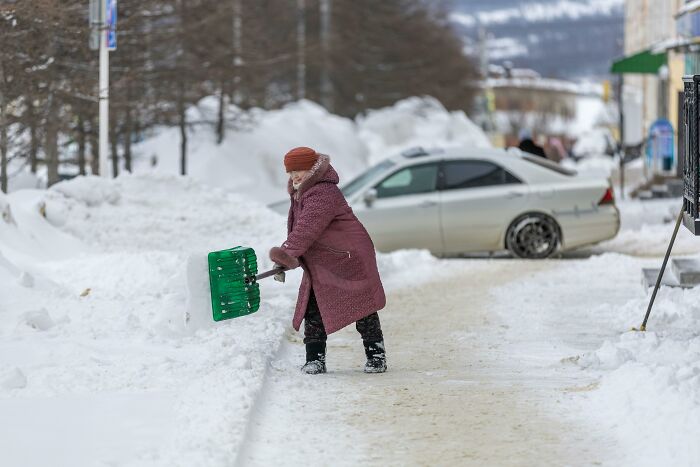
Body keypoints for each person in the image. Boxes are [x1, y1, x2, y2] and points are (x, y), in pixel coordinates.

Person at [269, 147, 387, 375]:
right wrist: (289, 255)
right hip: (326, 259)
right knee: (313, 307)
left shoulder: (323, 192)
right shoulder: (302, 191)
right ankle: (315, 359)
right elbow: (302, 230)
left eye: (300, 170)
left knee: (363, 306)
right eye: (291, 171)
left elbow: (306, 229)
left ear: (312, 168)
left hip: (349, 257)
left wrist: (286, 254)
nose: (295, 176)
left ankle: (376, 356)